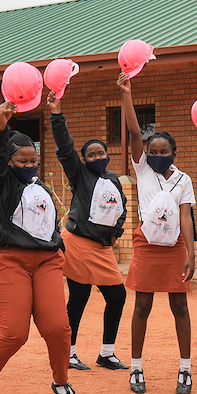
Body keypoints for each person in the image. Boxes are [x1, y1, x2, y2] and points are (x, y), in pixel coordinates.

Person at [0, 99, 75, 394]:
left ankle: (61, 380)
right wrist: (0, 126)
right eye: (22, 161)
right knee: (14, 333)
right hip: (9, 260)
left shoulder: (39, 188)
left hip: (48, 261)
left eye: (33, 161)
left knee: (58, 328)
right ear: (9, 163)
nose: (29, 165)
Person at [119, 73, 197, 394]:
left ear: (174, 153)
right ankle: (136, 369)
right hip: (147, 245)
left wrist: (191, 254)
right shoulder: (143, 170)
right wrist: (127, 94)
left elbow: (187, 218)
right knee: (142, 307)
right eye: (152, 149)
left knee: (180, 307)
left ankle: (185, 370)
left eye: (163, 150)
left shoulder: (184, 180)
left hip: (174, 247)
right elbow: (135, 131)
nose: (156, 153)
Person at [49, 90, 128, 372]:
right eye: (91, 155)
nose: (97, 157)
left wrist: (116, 231)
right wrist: (57, 114)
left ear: (108, 155)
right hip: (79, 243)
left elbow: (122, 207)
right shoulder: (79, 174)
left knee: (117, 296)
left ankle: (106, 353)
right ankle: (68, 353)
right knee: (79, 297)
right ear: (83, 160)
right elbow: (65, 148)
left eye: (101, 153)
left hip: (103, 247)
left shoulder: (113, 178)